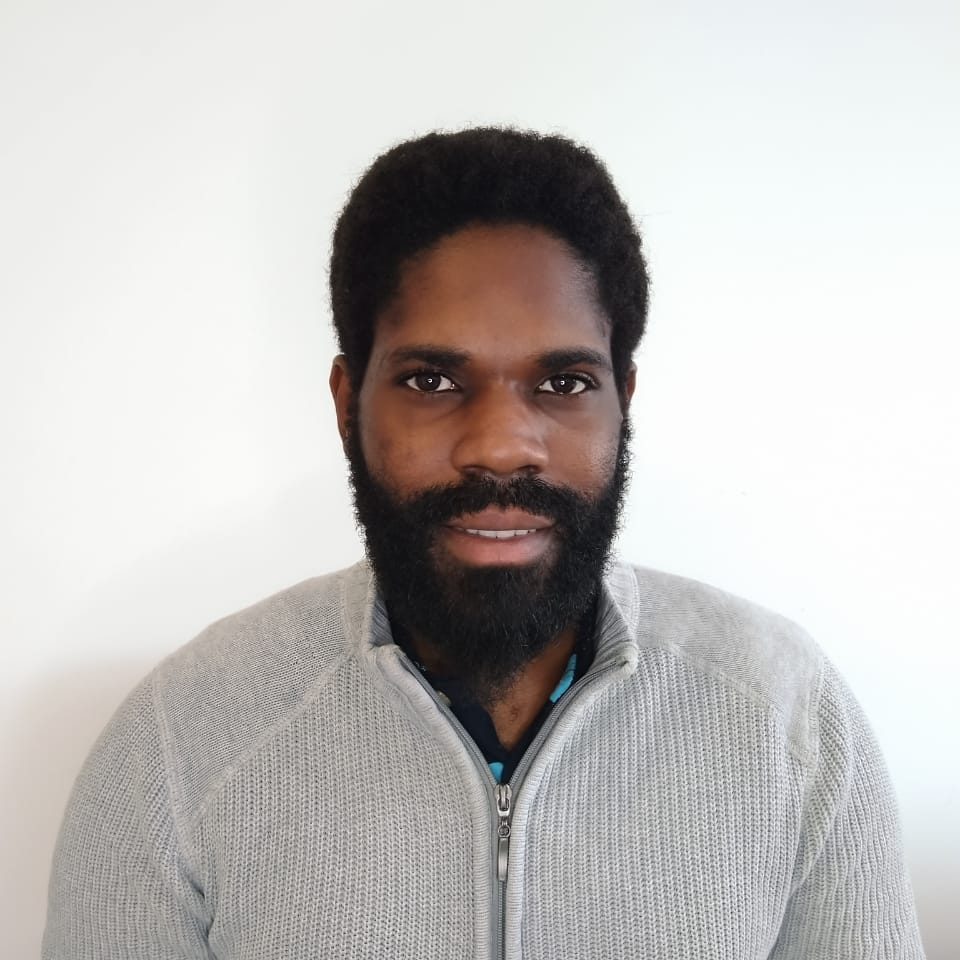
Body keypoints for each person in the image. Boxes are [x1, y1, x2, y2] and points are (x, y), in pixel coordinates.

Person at [43, 128, 925, 959]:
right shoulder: (182, 739)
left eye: (563, 382)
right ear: (348, 403)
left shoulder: (786, 717)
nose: (502, 446)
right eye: (432, 380)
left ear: (623, 401)